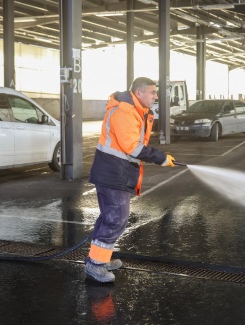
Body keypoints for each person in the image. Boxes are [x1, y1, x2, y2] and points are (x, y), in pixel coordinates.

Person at [86, 77, 176, 283]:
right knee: (116, 218)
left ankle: (99, 258)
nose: (155, 96)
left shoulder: (137, 111)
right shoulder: (125, 112)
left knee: (110, 218)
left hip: (116, 172)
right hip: (112, 173)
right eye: (152, 92)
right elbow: (133, 148)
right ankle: (95, 266)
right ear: (139, 93)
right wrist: (160, 157)